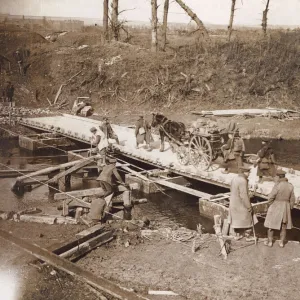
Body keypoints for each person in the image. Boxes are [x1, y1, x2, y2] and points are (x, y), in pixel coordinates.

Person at [264, 169, 295, 248]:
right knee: (284, 226)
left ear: (278, 177)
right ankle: (281, 243)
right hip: (286, 207)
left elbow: (271, 197)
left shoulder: (277, 185)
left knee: (271, 225)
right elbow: (292, 199)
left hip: (276, 206)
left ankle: (270, 242)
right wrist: (289, 208)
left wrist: (271, 205)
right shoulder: (290, 185)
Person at [228, 166, 258, 240]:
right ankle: (248, 236)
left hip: (233, 203)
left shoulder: (235, 178)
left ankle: (237, 235)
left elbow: (232, 189)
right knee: (250, 217)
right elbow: (244, 195)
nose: (249, 174)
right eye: (248, 172)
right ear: (244, 172)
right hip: (240, 203)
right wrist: (249, 206)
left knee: (236, 219)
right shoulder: (243, 181)